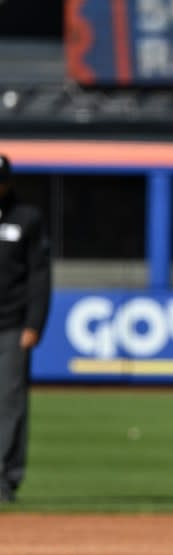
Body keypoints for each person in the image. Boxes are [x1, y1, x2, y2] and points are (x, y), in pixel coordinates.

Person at [0, 154, 52, 504]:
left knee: (9, 400)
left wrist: (34, 323)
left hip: (12, 323)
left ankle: (5, 479)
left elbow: (39, 276)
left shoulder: (27, 219)